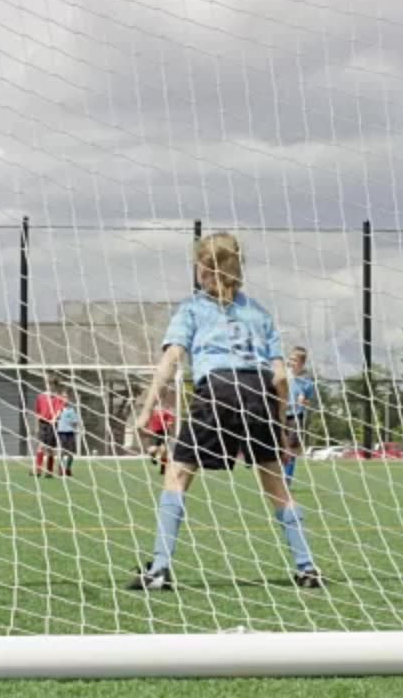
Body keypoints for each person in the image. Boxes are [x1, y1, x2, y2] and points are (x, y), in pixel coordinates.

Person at [128, 232, 322, 590]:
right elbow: (280, 377)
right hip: (258, 391)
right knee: (276, 483)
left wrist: (145, 411)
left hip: (217, 390)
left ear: (203, 269)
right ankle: (307, 567)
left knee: (178, 474)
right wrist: (279, 428)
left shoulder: (192, 308)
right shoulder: (259, 313)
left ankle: (158, 569)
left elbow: (171, 360)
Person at [283, 346, 317, 487]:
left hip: (295, 417)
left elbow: (310, 402)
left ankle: (287, 480)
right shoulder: (283, 376)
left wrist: (304, 401)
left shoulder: (307, 383)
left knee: (291, 448)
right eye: (290, 358)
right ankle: (278, 477)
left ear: (301, 363)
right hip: (279, 415)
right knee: (278, 447)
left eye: (294, 360)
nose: (290, 362)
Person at [32, 378, 67, 477]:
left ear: (55, 386)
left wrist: (55, 418)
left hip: (53, 424)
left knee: (50, 449)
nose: (49, 386)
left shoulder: (58, 398)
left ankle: (49, 471)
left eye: (52, 385)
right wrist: (36, 426)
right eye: (48, 384)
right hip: (43, 424)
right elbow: (37, 412)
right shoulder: (41, 397)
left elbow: (59, 410)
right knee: (41, 446)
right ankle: (38, 470)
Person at [144, 386, 177, 476]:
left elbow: (170, 422)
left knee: (162, 450)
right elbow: (170, 423)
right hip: (159, 431)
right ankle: (154, 459)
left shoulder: (162, 410)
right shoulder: (161, 410)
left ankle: (162, 468)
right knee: (157, 449)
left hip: (160, 431)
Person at [55, 397, 81, 477]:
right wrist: (58, 416)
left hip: (70, 432)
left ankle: (68, 468)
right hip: (62, 432)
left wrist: (71, 422)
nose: (65, 400)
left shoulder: (71, 410)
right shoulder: (58, 409)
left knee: (70, 452)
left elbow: (75, 422)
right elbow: (55, 418)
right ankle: (60, 468)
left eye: (67, 399)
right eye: (64, 399)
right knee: (63, 450)